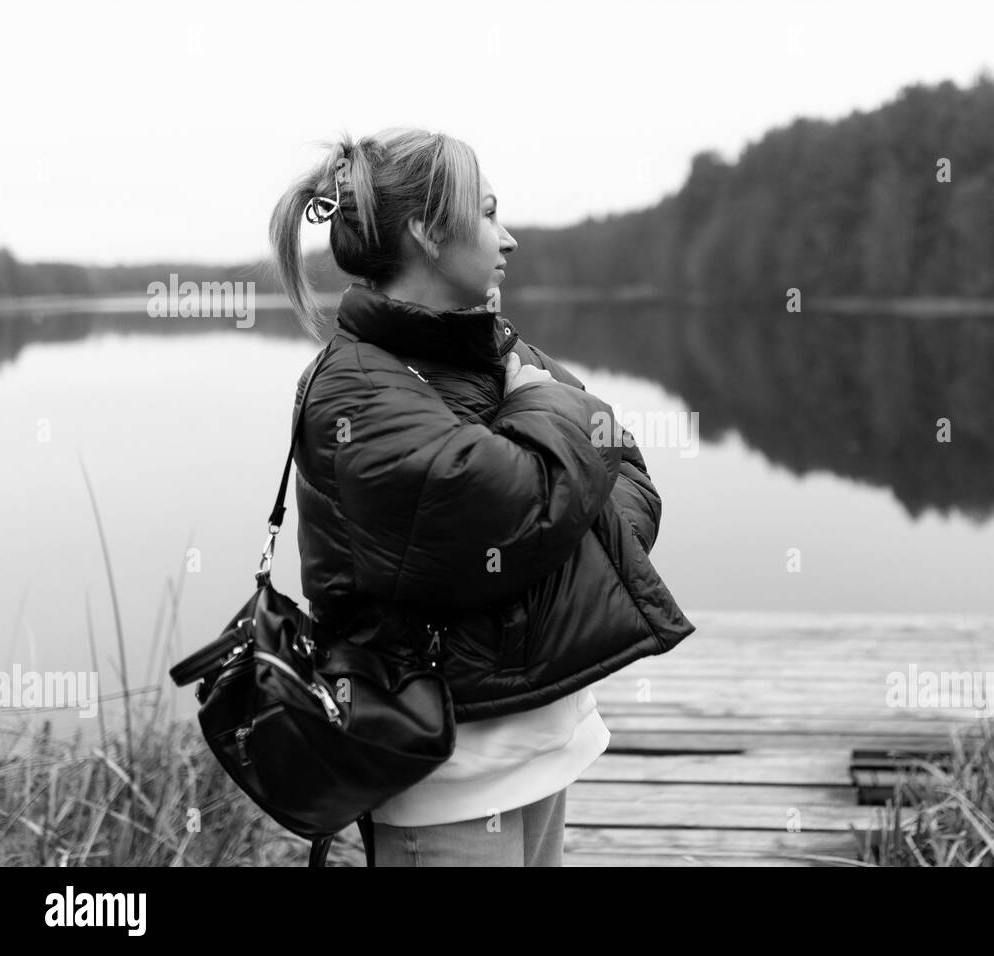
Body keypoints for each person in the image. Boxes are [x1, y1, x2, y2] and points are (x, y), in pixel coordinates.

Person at [268, 128, 695, 866]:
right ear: (430, 233)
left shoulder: (489, 347)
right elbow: (515, 507)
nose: (510, 237)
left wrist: (561, 507)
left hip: (540, 741)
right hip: (445, 776)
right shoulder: (358, 391)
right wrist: (554, 447)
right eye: (489, 214)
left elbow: (625, 469)